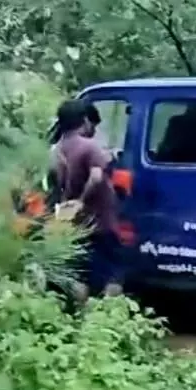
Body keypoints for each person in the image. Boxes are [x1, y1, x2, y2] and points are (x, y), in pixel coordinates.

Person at [52, 98, 123, 298]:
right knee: (113, 276)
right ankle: (108, 317)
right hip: (100, 222)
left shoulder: (57, 149)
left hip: (75, 224)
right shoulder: (89, 146)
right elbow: (97, 176)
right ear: (84, 120)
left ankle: (80, 320)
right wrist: (82, 200)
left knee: (81, 275)